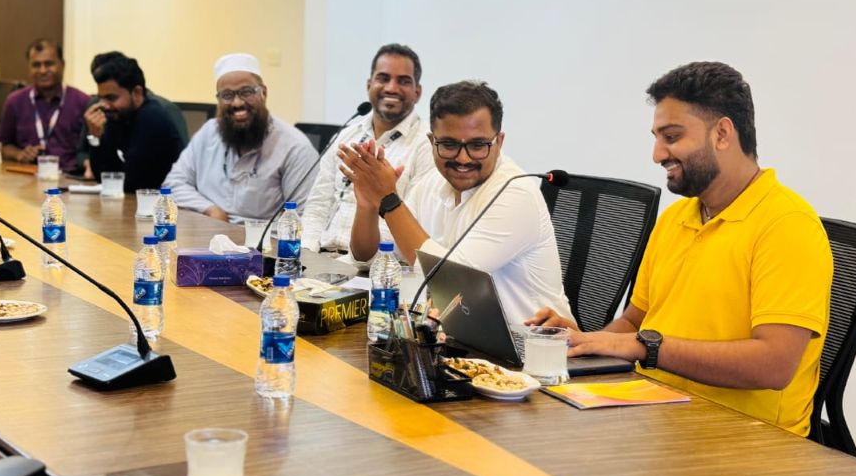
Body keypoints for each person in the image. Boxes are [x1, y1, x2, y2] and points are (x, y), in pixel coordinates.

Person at [527, 61, 832, 436]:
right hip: (658, 416)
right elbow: (635, 323)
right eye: (656, 138)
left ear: (722, 134)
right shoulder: (676, 218)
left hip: (749, 441)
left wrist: (647, 348)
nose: (657, 154)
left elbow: (774, 365)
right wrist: (586, 343)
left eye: (671, 137)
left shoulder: (787, 225)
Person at [340, 80, 572, 323]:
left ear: (499, 142)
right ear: (432, 141)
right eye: (449, 145)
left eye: (477, 145)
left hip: (530, 342)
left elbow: (449, 282)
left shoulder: (516, 192)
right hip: (459, 335)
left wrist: (389, 200)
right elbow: (368, 257)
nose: (463, 159)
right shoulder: (432, 182)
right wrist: (367, 205)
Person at [301, 44, 434, 261]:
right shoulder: (346, 136)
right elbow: (318, 206)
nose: (391, 88)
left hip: (377, 267)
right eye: (383, 78)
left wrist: (346, 264)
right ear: (369, 84)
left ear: (417, 92)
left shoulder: (426, 145)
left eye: (403, 81)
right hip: (321, 260)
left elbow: (412, 225)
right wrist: (306, 255)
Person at [163, 53, 318, 222]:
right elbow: (173, 184)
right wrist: (211, 209)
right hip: (209, 232)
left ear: (264, 93)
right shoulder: (209, 132)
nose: (237, 103)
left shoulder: (294, 147)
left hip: (261, 237)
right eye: (227, 95)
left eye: (246, 92)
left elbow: (306, 216)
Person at [76, 51, 189, 178]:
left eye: (111, 98)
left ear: (137, 93)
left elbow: (132, 180)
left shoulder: (152, 117)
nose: (104, 105)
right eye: (101, 98)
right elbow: (106, 176)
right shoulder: (117, 116)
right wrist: (95, 137)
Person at [0, 39, 90, 173]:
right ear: (29, 68)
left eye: (49, 64)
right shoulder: (15, 101)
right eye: (36, 65)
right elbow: (2, 146)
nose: (43, 70)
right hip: (28, 175)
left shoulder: (82, 102)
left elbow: (89, 150)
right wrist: (19, 154)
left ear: (62, 65)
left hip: (69, 176)